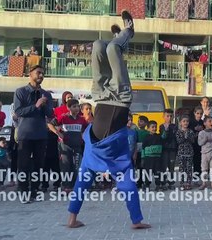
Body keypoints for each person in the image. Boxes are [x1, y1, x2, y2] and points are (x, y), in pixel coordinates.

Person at [67, 11, 150, 229]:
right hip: (121, 99)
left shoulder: (90, 156)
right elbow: (129, 187)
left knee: (97, 45)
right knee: (112, 49)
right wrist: (137, 221)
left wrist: (72, 218)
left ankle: (119, 37)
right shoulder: (120, 159)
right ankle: (128, 32)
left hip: (101, 96)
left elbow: (80, 186)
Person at [13, 65, 54, 203]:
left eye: (43, 73)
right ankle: (23, 191)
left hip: (41, 134)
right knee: (23, 164)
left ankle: (34, 191)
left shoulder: (46, 94)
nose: (41, 76)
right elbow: (18, 112)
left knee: (39, 164)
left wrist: (46, 106)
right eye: (38, 73)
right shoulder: (21, 92)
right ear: (30, 74)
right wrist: (35, 105)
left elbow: (50, 114)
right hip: (25, 133)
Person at [48, 99, 88, 194]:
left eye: (78, 106)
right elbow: (50, 124)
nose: (77, 108)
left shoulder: (81, 119)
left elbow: (86, 129)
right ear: (68, 108)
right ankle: (66, 186)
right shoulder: (63, 118)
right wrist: (58, 133)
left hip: (77, 146)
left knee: (77, 166)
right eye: (74, 106)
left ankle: (76, 186)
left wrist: (83, 136)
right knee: (66, 166)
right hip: (65, 146)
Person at [198, 116, 212, 190]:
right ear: (204, 123)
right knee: (204, 168)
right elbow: (200, 143)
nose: (211, 123)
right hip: (204, 153)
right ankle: (204, 183)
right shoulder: (201, 133)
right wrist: (205, 139)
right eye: (209, 121)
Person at [141, 120, 164, 191]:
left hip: (157, 158)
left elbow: (164, 136)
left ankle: (158, 185)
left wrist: (164, 130)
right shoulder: (146, 137)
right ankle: (147, 185)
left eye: (155, 127)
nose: (154, 128)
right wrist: (142, 158)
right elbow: (143, 148)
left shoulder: (159, 136)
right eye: (152, 127)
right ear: (148, 128)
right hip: (148, 158)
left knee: (157, 171)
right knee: (148, 172)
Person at [159, 108, 177, 190]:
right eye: (167, 116)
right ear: (163, 116)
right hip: (164, 149)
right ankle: (163, 183)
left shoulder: (175, 126)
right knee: (163, 167)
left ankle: (171, 182)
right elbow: (162, 137)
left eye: (170, 116)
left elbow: (176, 137)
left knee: (171, 167)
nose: (169, 118)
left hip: (173, 149)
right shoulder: (161, 126)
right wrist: (166, 130)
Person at [176, 115, 196, 191]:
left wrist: (188, 137)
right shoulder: (178, 132)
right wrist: (185, 137)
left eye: (187, 121)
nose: (185, 123)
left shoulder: (190, 131)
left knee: (189, 169)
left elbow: (193, 141)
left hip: (189, 153)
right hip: (181, 153)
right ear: (180, 123)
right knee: (182, 169)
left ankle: (188, 183)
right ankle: (182, 183)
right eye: (184, 121)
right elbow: (179, 141)